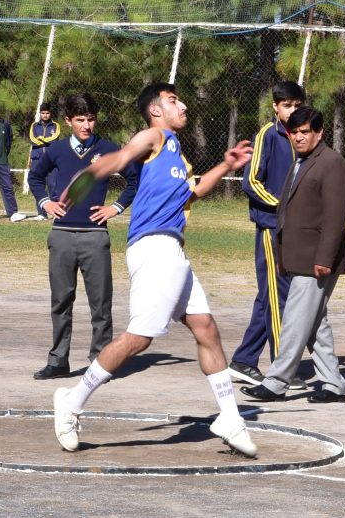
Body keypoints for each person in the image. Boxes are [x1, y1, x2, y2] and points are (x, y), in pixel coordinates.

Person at [52, 82, 257, 457]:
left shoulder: (178, 156)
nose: (183, 106)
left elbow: (194, 192)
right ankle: (72, 400)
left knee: (206, 327)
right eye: (174, 100)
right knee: (140, 337)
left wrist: (227, 165)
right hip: (154, 247)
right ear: (156, 110)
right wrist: (89, 175)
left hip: (172, 249)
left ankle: (229, 417)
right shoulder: (155, 136)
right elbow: (120, 158)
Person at [241, 106, 345, 403]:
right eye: (294, 132)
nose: (298, 137)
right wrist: (282, 255)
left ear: (319, 133)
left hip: (316, 260)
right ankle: (333, 385)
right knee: (314, 323)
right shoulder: (301, 160)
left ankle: (276, 382)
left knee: (294, 320)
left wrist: (324, 259)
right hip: (296, 257)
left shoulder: (332, 163)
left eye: (304, 132)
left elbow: (335, 218)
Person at [29, 93, 137, 380]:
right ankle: (58, 361)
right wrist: (45, 202)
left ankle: (101, 363)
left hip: (95, 236)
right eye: (80, 120)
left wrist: (115, 208)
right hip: (62, 235)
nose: (86, 125)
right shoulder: (56, 150)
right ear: (68, 121)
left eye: (91, 119)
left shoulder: (108, 149)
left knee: (100, 303)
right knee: (61, 301)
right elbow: (34, 177)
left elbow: (134, 179)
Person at [228, 81, 308, 390]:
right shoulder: (267, 135)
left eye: (297, 105)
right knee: (279, 297)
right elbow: (251, 181)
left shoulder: (303, 137)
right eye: (287, 105)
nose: (292, 110)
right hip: (271, 228)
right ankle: (281, 368)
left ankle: (244, 361)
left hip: (295, 229)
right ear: (275, 106)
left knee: (269, 297)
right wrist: (282, 206)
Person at [28, 103, 61, 221]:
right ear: (40, 113)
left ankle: (56, 213)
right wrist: (42, 141)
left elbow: (54, 139)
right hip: (37, 159)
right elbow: (32, 139)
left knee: (53, 185)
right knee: (38, 185)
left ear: (50, 114)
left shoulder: (56, 126)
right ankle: (41, 213)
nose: (45, 115)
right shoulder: (34, 126)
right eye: (43, 113)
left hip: (51, 160)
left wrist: (42, 139)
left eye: (47, 113)